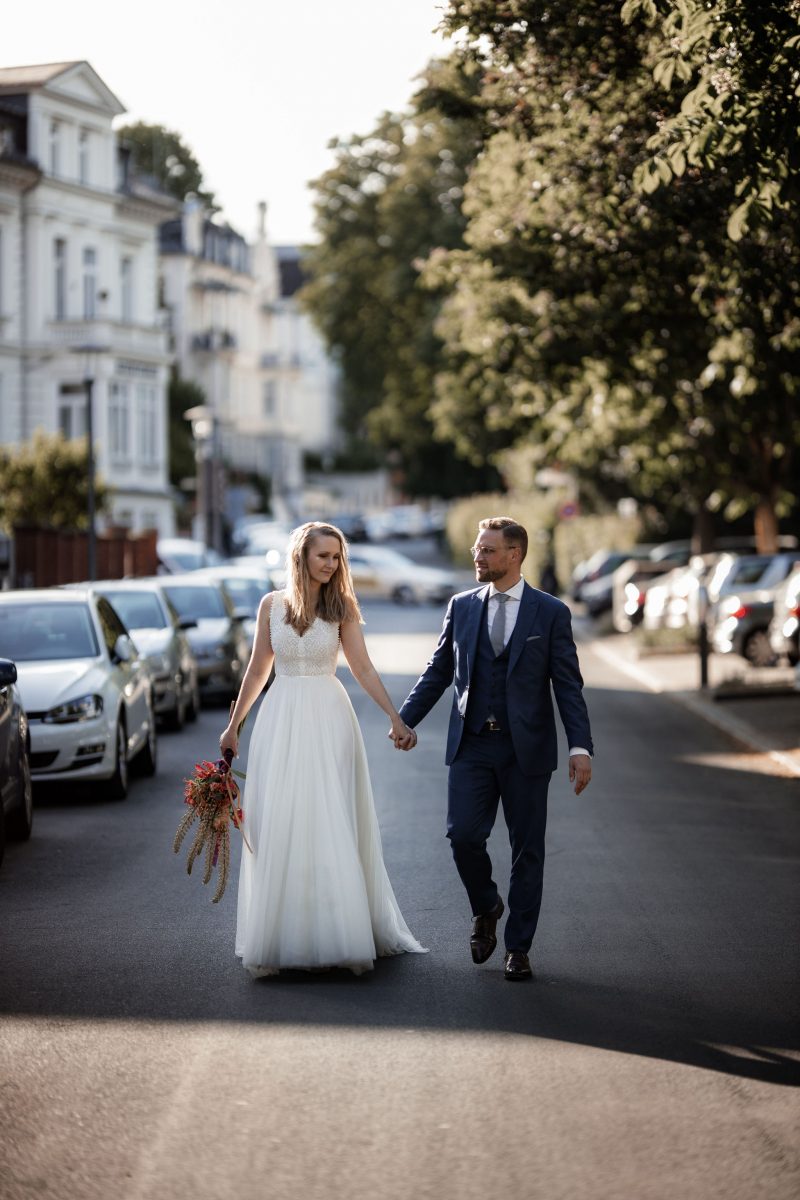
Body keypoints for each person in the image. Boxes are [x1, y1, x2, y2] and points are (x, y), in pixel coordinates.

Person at [219, 521, 426, 978]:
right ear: (301, 557)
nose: (332, 564)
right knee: (282, 821)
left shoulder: (342, 607)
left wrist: (396, 716)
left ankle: (339, 932)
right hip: (280, 717)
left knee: (328, 817)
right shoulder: (271, 606)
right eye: (323, 556)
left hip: (330, 718)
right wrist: (234, 726)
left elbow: (364, 668)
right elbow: (257, 671)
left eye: (337, 557)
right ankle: (286, 934)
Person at [394, 517, 592, 982]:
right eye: (476, 549)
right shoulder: (462, 606)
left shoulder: (550, 612)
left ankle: (518, 948)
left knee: (527, 851)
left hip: (527, 750)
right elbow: (439, 669)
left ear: (514, 554)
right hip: (472, 744)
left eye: (487, 550)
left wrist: (579, 746)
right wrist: (405, 719)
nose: (477, 557)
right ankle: (487, 906)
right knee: (462, 835)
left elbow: (568, 685)